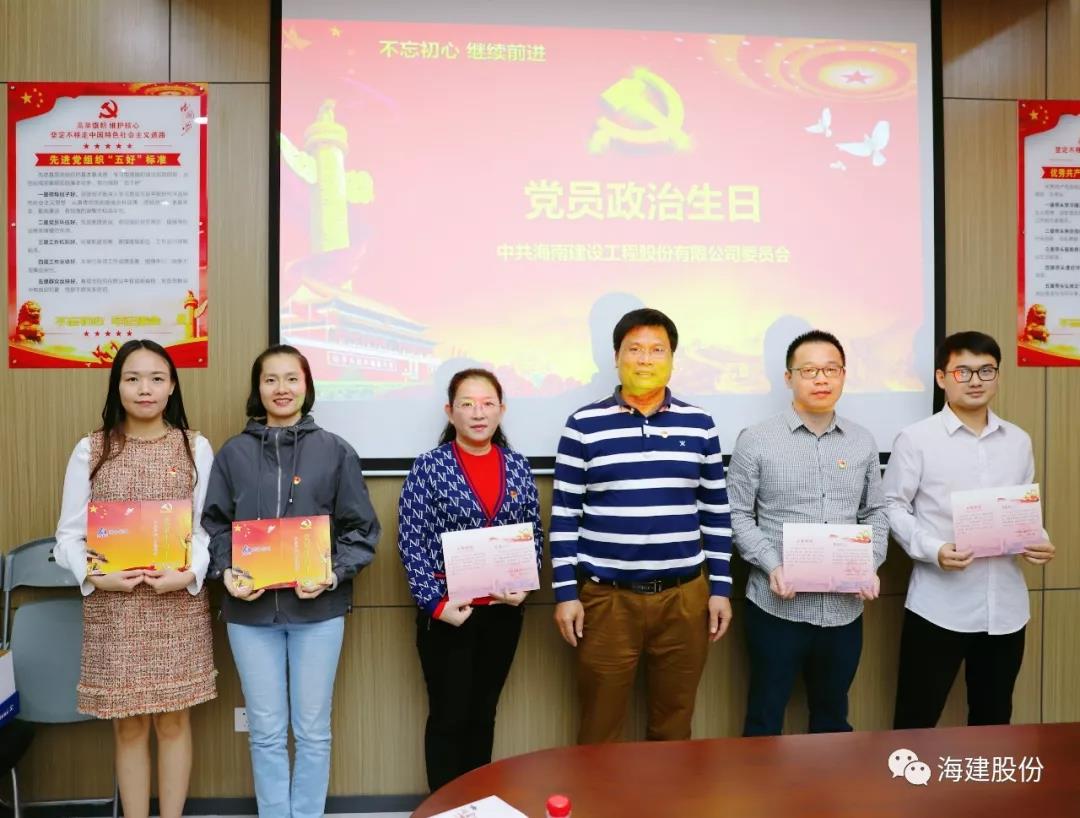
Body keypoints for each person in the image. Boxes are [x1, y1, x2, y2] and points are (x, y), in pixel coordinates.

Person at [201, 344, 380, 818]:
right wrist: (225, 571)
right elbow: (213, 525)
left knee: (313, 731)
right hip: (250, 615)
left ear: (307, 386)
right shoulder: (233, 453)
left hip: (318, 613)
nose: (281, 388)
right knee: (264, 731)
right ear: (257, 389)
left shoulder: (335, 451)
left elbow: (362, 531)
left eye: (291, 378)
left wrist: (331, 574)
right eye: (270, 379)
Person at [550, 308, 733, 745]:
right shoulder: (583, 425)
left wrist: (721, 588)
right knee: (600, 725)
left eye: (657, 350)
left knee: (674, 723)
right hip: (607, 601)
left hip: (685, 598)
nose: (646, 359)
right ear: (616, 357)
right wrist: (566, 595)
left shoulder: (700, 424)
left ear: (672, 358)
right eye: (635, 349)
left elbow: (715, 511)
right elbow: (564, 515)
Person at [54, 339, 216, 818]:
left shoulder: (194, 446)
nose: (145, 389)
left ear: (172, 386)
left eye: (156, 378)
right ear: (118, 385)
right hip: (115, 608)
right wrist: (95, 577)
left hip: (177, 604)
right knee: (127, 725)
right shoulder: (91, 449)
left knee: (174, 722)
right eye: (133, 378)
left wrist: (188, 573)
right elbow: (67, 536)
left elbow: (206, 530)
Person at [885, 331, 1055, 728]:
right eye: (962, 371)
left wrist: (1039, 540)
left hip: (1006, 607)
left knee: (994, 719)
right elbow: (891, 506)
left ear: (998, 376)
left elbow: (1023, 507)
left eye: (985, 371)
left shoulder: (1018, 441)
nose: (975, 381)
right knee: (915, 720)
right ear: (941, 378)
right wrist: (933, 548)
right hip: (939, 605)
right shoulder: (916, 439)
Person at [728, 329, 887, 737]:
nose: (821, 379)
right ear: (789, 378)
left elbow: (875, 511)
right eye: (809, 370)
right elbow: (738, 514)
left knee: (833, 718)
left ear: (843, 375)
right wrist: (772, 565)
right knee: (765, 717)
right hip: (776, 607)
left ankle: (830, 783)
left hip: (844, 609)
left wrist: (870, 563)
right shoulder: (756, 440)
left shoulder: (862, 441)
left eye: (831, 370)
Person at [398, 368, 543, 791]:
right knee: (449, 717)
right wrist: (435, 604)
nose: (478, 413)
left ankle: (477, 804)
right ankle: (446, 807)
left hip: (502, 613)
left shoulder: (517, 466)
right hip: (450, 614)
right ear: (450, 411)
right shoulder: (429, 467)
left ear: (501, 409)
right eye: (467, 404)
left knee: (483, 715)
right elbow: (411, 539)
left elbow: (533, 531)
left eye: (487, 404)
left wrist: (524, 585)